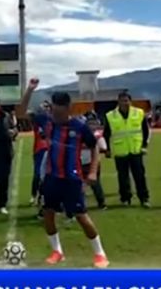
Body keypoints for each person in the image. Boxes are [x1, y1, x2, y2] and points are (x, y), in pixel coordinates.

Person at [20, 79, 110, 268]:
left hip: (72, 178)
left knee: (81, 216)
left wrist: (93, 171)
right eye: (54, 110)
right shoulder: (46, 121)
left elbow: (94, 147)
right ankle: (57, 251)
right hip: (52, 177)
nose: (56, 115)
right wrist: (29, 90)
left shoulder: (79, 127)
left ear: (68, 109)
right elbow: (20, 113)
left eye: (60, 112)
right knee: (48, 213)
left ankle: (100, 254)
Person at [103, 91, 151, 208]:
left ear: (130, 101)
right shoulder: (110, 115)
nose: (125, 103)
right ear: (118, 102)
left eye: (126, 101)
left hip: (136, 150)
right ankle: (125, 198)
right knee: (122, 177)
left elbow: (146, 130)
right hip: (120, 150)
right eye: (122, 101)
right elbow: (106, 133)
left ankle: (144, 198)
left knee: (139, 176)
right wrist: (107, 149)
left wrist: (144, 145)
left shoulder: (139, 113)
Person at [81, 112, 108, 210]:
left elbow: (104, 147)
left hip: (90, 162)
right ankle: (83, 204)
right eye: (90, 123)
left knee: (94, 184)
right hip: (83, 162)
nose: (91, 125)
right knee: (82, 184)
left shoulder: (96, 135)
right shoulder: (83, 134)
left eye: (93, 123)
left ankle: (101, 203)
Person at [30, 101, 50, 205]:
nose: (46, 108)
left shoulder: (53, 119)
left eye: (47, 106)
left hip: (51, 149)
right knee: (38, 174)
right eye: (44, 106)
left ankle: (43, 196)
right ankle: (34, 195)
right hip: (40, 149)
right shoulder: (38, 119)